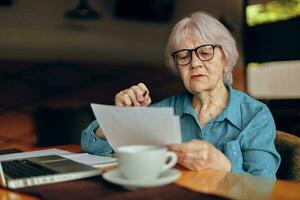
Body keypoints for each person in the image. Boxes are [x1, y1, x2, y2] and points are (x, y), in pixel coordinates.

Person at [81, 11, 280, 179]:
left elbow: (264, 189)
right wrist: (121, 118)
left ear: (226, 59)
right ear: (178, 67)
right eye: (184, 56)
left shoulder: (255, 115)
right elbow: (90, 145)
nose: (194, 63)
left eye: (205, 52)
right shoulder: (165, 111)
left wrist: (224, 166)